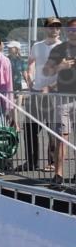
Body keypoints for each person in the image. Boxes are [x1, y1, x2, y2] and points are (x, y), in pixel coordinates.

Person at [23, 18, 62, 172]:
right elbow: (31, 62)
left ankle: (52, 162)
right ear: (46, 28)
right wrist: (30, 78)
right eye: (51, 26)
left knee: (52, 130)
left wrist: (50, 87)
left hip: (54, 94)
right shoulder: (37, 46)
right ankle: (31, 161)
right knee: (30, 128)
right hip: (36, 92)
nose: (54, 29)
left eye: (57, 26)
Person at [43, 19, 76, 190]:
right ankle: (59, 174)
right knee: (62, 138)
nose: (72, 32)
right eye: (70, 30)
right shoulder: (59, 49)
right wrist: (60, 66)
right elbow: (46, 70)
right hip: (63, 98)